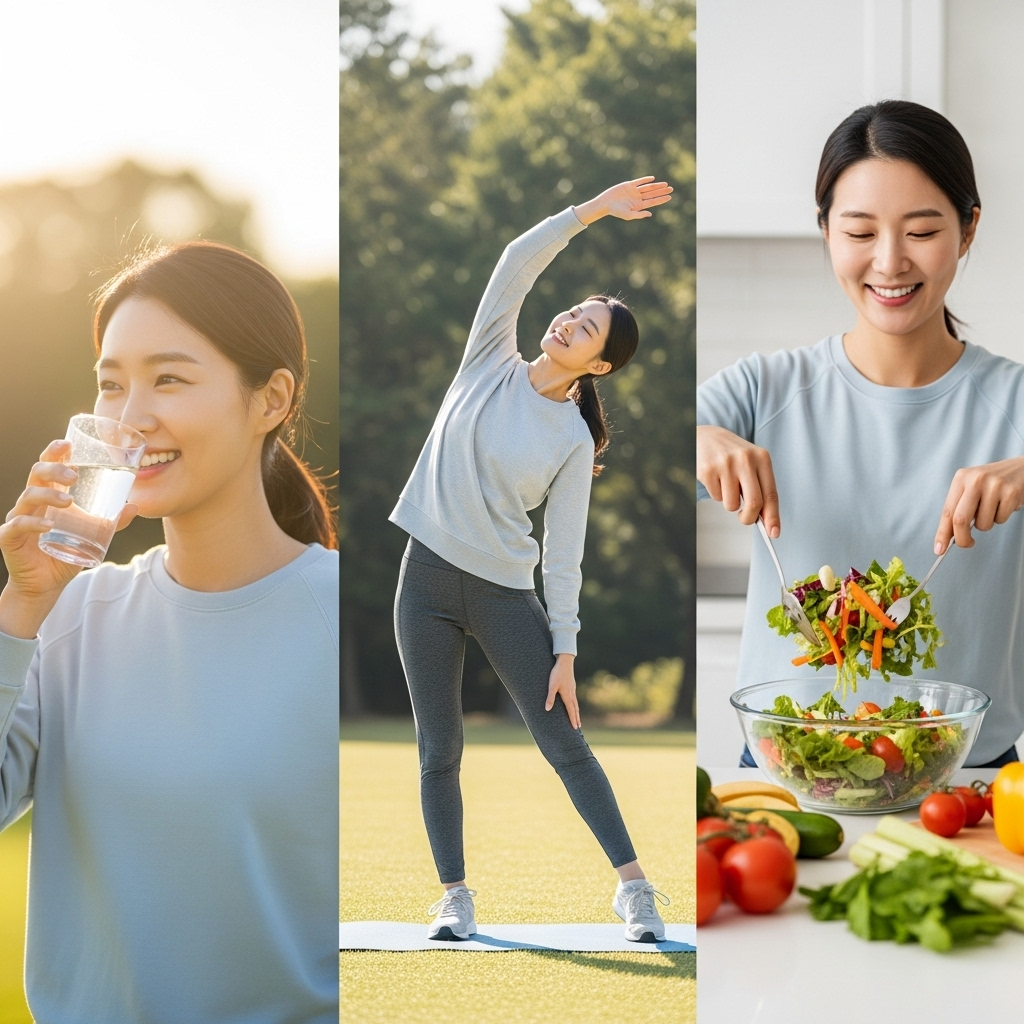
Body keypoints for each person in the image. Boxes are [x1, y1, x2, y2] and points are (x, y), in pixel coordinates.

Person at [0, 242, 338, 1022]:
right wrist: (21, 610)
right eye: (111, 384)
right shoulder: (70, 615)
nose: (129, 418)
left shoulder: (343, 609)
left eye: (170, 379)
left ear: (271, 400)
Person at [697, 99, 1024, 768]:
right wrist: (698, 439)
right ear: (826, 233)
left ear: (968, 231)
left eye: (922, 231)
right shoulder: (761, 389)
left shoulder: (1015, 401)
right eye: (859, 231)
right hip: (786, 769)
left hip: (971, 779)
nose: (890, 261)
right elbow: (605, 447)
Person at [390, 177, 673, 943]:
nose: (567, 323)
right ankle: (454, 896)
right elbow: (517, 262)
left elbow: (565, 556)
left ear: (600, 367)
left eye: (585, 330)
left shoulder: (573, 442)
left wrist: (565, 649)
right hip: (423, 582)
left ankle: (636, 891)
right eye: (572, 312)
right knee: (437, 749)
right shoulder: (487, 359)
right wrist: (589, 212)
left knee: (564, 744)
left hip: (505, 596)